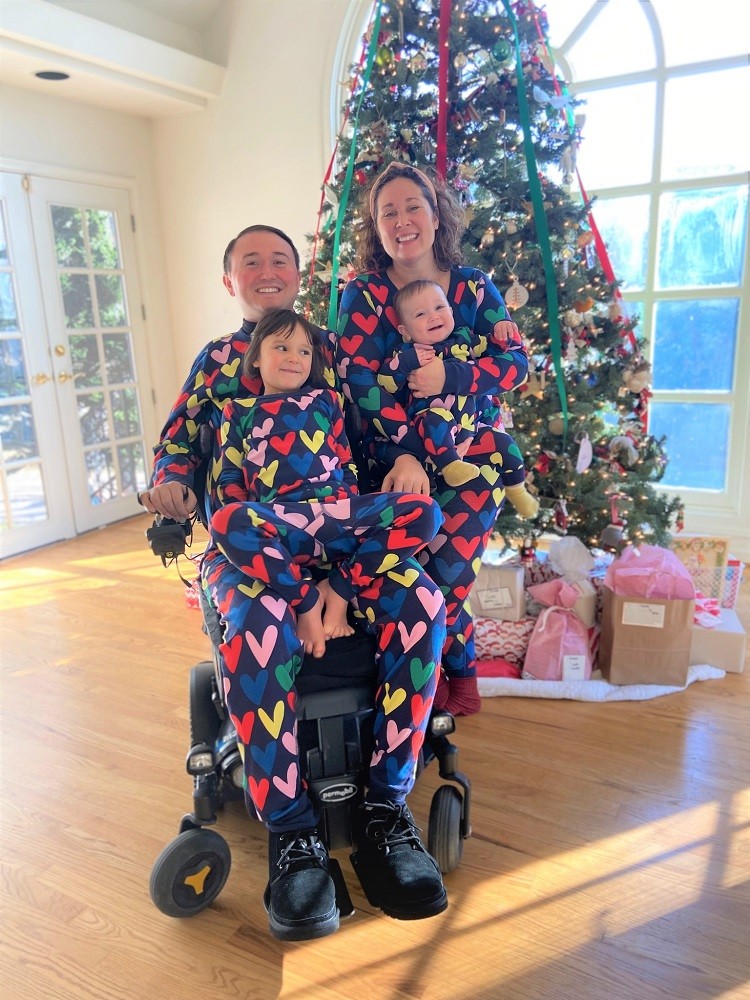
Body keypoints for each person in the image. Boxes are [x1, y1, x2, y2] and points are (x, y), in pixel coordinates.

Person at [140, 227, 449, 943]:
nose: (268, 270)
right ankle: (293, 835)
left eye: (280, 258)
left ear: (298, 275)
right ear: (231, 282)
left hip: (342, 543)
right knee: (253, 620)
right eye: (252, 261)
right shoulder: (214, 363)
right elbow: (178, 445)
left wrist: (403, 457)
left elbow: (381, 420)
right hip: (254, 550)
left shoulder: (332, 354)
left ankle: (385, 810)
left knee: (420, 600)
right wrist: (173, 487)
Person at [337, 162, 530, 717]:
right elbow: (358, 378)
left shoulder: (473, 287)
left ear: (435, 211)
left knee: (450, 572)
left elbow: (514, 364)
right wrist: (403, 451)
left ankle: (440, 671)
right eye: (387, 212)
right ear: (375, 225)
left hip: (474, 458)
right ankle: (449, 668)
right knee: (410, 572)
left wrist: (456, 378)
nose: (402, 221)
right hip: (393, 463)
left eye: (411, 206)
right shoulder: (365, 294)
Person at [386, 277, 540, 515]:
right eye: (420, 314)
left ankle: (518, 490)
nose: (434, 316)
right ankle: (450, 466)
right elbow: (386, 380)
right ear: (405, 332)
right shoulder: (408, 351)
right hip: (432, 430)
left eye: (439, 308)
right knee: (435, 420)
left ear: (450, 310)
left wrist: (499, 339)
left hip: (473, 428)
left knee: (505, 445)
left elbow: (493, 354)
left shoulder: (465, 339)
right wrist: (408, 362)